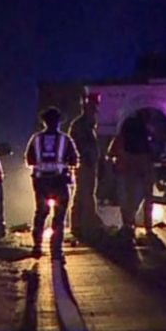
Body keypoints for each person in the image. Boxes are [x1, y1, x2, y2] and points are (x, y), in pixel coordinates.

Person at [25, 107, 78, 260]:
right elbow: (74, 160)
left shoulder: (36, 139)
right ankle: (56, 250)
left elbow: (29, 160)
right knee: (59, 216)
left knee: (41, 213)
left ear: (44, 122)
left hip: (41, 181)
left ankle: (37, 247)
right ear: (58, 122)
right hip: (60, 181)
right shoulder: (65, 140)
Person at [108, 112, 157, 244]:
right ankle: (146, 227)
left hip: (126, 172)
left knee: (127, 200)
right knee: (143, 198)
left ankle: (128, 226)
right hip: (140, 171)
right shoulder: (146, 140)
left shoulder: (122, 138)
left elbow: (111, 153)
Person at [69, 94, 104, 240]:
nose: (95, 115)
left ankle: (78, 224)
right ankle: (90, 225)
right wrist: (89, 160)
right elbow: (82, 147)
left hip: (86, 164)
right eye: (93, 111)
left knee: (81, 194)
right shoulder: (81, 126)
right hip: (85, 165)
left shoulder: (83, 126)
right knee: (86, 193)